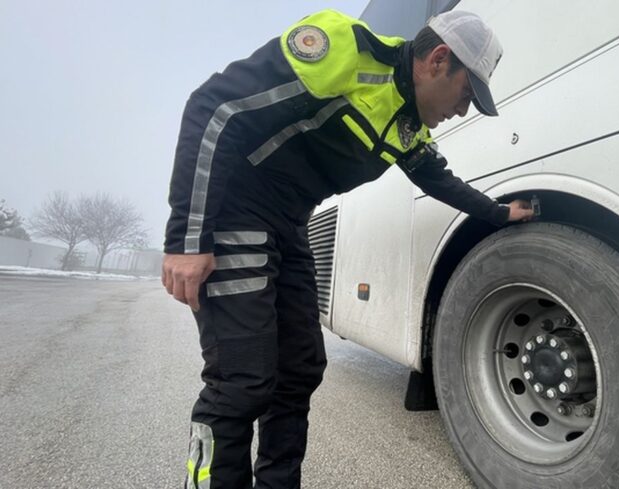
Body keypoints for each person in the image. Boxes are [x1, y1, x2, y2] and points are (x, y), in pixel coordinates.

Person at [162, 8, 534, 489]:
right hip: (234, 207)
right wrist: (187, 239)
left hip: (289, 222)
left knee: (299, 370)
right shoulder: (344, 50)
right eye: (467, 93)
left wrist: (501, 214)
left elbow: (439, 181)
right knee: (243, 380)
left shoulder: (408, 125)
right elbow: (214, 108)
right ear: (439, 60)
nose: (462, 110)